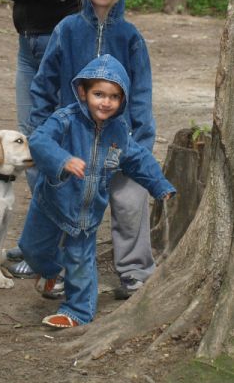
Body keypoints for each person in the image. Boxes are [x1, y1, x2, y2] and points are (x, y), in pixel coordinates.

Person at [0, 0, 109, 278]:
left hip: (64, 50)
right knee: (34, 146)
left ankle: (58, 251)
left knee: (60, 145)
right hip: (28, 47)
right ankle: (42, 243)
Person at [28, 0, 157, 299]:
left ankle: (134, 272)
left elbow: (141, 93)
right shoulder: (67, 29)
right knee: (63, 202)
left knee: (131, 198)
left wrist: (141, 141)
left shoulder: (130, 36)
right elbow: (43, 83)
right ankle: (55, 272)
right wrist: (45, 132)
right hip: (72, 139)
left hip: (118, 140)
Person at [20, 54, 175, 328]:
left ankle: (77, 311)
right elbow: (40, 140)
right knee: (32, 249)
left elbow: (139, 159)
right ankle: (52, 271)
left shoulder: (119, 132)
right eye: (99, 94)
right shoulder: (65, 119)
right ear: (83, 92)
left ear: (122, 99)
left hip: (87, 212)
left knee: (80, 260)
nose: (105, 102)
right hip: (51, 202)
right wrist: (63, 160)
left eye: (114, 97)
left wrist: (160, 185)